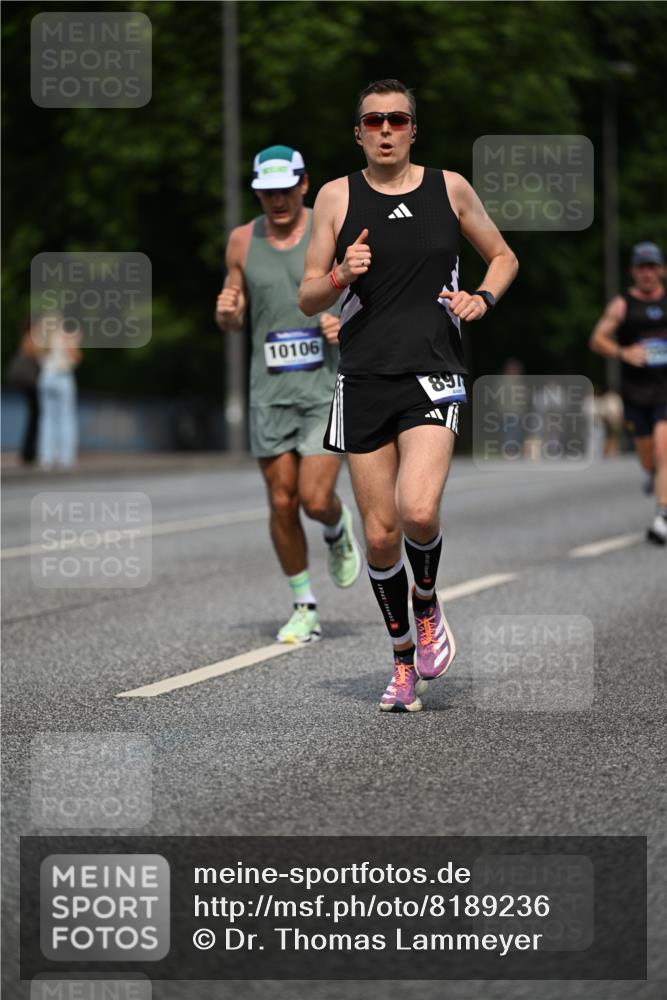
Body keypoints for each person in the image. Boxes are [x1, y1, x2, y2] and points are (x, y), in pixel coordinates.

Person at [299, 79, 518, 711]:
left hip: (434, 369)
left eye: (397, 119)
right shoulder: (337, 198)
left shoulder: (449, 187)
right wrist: (341, 274)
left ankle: (427, 605)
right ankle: (401, 666)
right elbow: (309, 294)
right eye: (373, 121)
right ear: (359, 132)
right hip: (364, 375)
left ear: (413, 129)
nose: (386, 130)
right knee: (378, 533)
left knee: (418, 512)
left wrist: (484, 297)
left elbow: (503, 256)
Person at [215, 145, 362, 645]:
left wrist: (344, 319)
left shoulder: (332, 226)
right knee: (281, 501)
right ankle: (304, 605)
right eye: (266, 191)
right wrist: (228, 312)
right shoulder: (241, 241)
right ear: (257, 191)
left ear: (303, 184)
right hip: (269, 391)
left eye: (285, 189)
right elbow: (232, 312)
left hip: (324, 386)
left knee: (314, 498)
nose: (276, 199)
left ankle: (337, 527)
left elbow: (369, 291)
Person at [590, 242, 667, 544]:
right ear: (633, 271)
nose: (647, 273)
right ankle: (653, 474)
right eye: (641, 267)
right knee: (648, 457)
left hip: (665, 388)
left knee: (663, 450)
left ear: (660, 269)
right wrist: (624, 352)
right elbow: (597, 339)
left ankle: (662, 515)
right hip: (636, 391)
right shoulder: (622, 305)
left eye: (652, 267)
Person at [35, 313, 83, 469]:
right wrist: (74, 340)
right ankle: (66, 457)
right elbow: (76, 357)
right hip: (63, 377)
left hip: (45, 377)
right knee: (66, 418)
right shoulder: (65, 336)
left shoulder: (41, 338)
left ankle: (47, 457)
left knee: (47, 418)